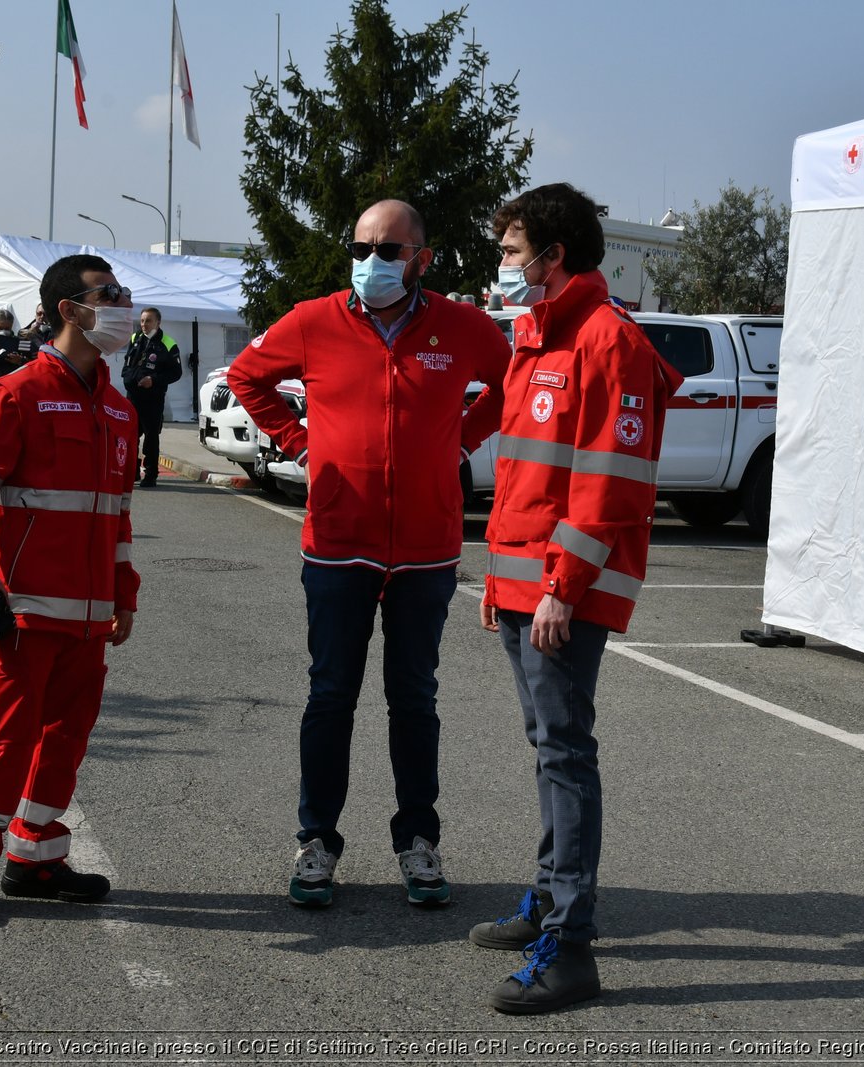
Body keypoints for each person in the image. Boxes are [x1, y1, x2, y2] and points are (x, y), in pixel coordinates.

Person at [227, 199, 511, 909]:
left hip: (426, 548)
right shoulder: (313, 320)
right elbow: (247, 379)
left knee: (414, 699)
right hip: (337, 544)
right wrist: (302, 446)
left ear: (423, 258)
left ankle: (418, 841)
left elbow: (514, 383)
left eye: (388, 250)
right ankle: (316, 840)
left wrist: (463, 439)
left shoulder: (464, 327)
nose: (371, 263)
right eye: (360, 248)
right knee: (330, 696)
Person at [471, 183, 682, 1013]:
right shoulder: (537, 335)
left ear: (555, 256)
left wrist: (562, 584)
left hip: (566, 587)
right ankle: (549, 899)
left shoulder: (607, 340)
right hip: (525, 581)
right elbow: (527, 476)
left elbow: (612, 485)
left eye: (513, 251)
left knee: (565, 751)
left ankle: (571, 943)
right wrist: (499, 579)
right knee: (548, 744)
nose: (504, 267)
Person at [0, 254, 142, 926]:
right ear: (70, 310)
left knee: (65, 742)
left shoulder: (118, 406)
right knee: (4, 746)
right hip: (22, 614)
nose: (123, 303)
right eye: (108, 294)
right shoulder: (16, 392)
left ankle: (34, 857)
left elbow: (116, 512)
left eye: (122, 292)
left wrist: (124, 593)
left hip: (87, 621)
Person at [120, 308, 183, 488]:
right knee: (131, 436)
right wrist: (129, 379)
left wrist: (153, 380)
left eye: (148, 321)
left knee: (151, 437)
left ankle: (150, 474)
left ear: (158, 323)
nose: (144, 325)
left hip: (153, 399)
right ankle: (132, 472)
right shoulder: (135, 338)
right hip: (133, 396)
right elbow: (127, 365)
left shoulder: (168, 344)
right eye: (142, 321)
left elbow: (176, 373)